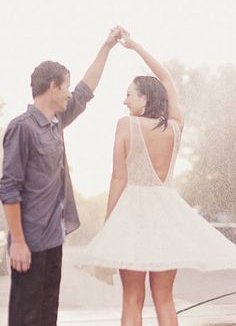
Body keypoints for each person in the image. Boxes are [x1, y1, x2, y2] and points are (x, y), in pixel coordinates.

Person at [78, 28, 236, 326]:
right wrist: (135, 46)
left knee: (132, 300)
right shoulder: (175, 127)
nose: (124, 101)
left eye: (128, 95)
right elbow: (167, 78)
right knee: (164, 298)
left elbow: (118, 179)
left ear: (144, 99)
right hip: (167, 218)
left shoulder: (125, 126)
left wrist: (109, 225)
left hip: (133, 218)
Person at [0, 28, 121, 326]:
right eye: (65, 86)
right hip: (28, 242)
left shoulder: (57, 122)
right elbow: (9, 188)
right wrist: (17, 241)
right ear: (52, 87)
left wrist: (106, 47)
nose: (69, 93)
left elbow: (86, 89)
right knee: (26, 317)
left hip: (53, 237)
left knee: (47, 315)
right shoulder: (22, 127)